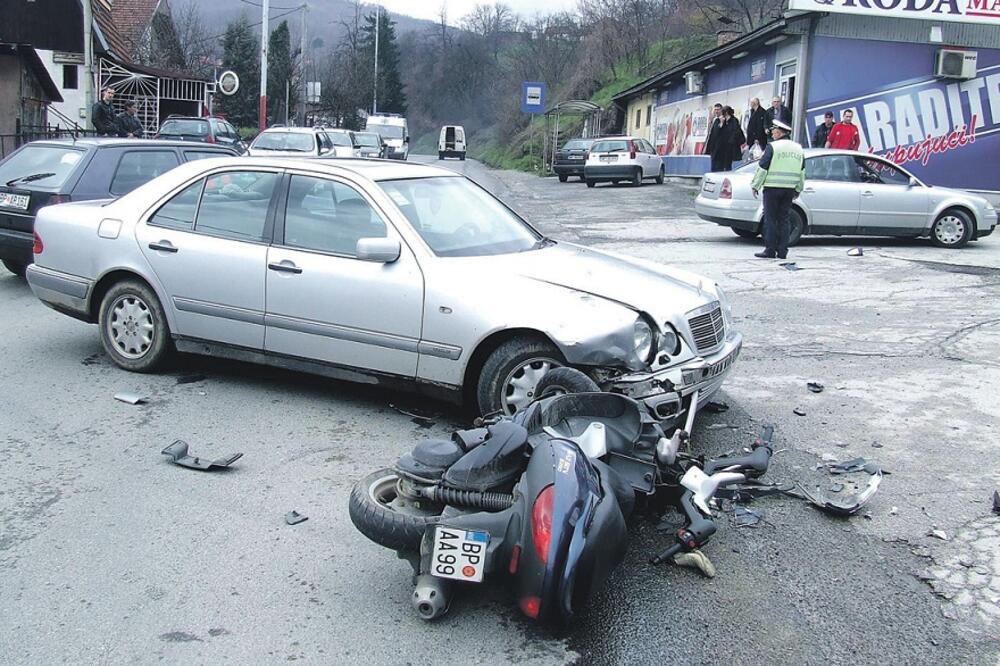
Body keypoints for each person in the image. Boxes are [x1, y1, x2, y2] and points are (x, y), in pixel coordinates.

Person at [750, 119, 804, 260]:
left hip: (772, 188)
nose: (772, 134)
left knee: (770, 219)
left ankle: (770, 250)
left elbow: (763, 167)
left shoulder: (773, 147)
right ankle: (782, 251)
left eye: (773, 131)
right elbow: (802, 171)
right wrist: (798, 188)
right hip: (789, 190)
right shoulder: (798, 148)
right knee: (784, 219)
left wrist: (755, 185)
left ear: (779, 132)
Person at [703, 104, 728, 171]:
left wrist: (721, 124)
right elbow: (712, 135)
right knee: (713, 167)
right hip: (714, 149)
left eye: (718, 109)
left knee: (719, 168)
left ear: (721, 110)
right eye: (715, 110)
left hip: (720, 150)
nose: (716, 111)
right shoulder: (715, 120)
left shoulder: (724, 120)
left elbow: (721, 133)